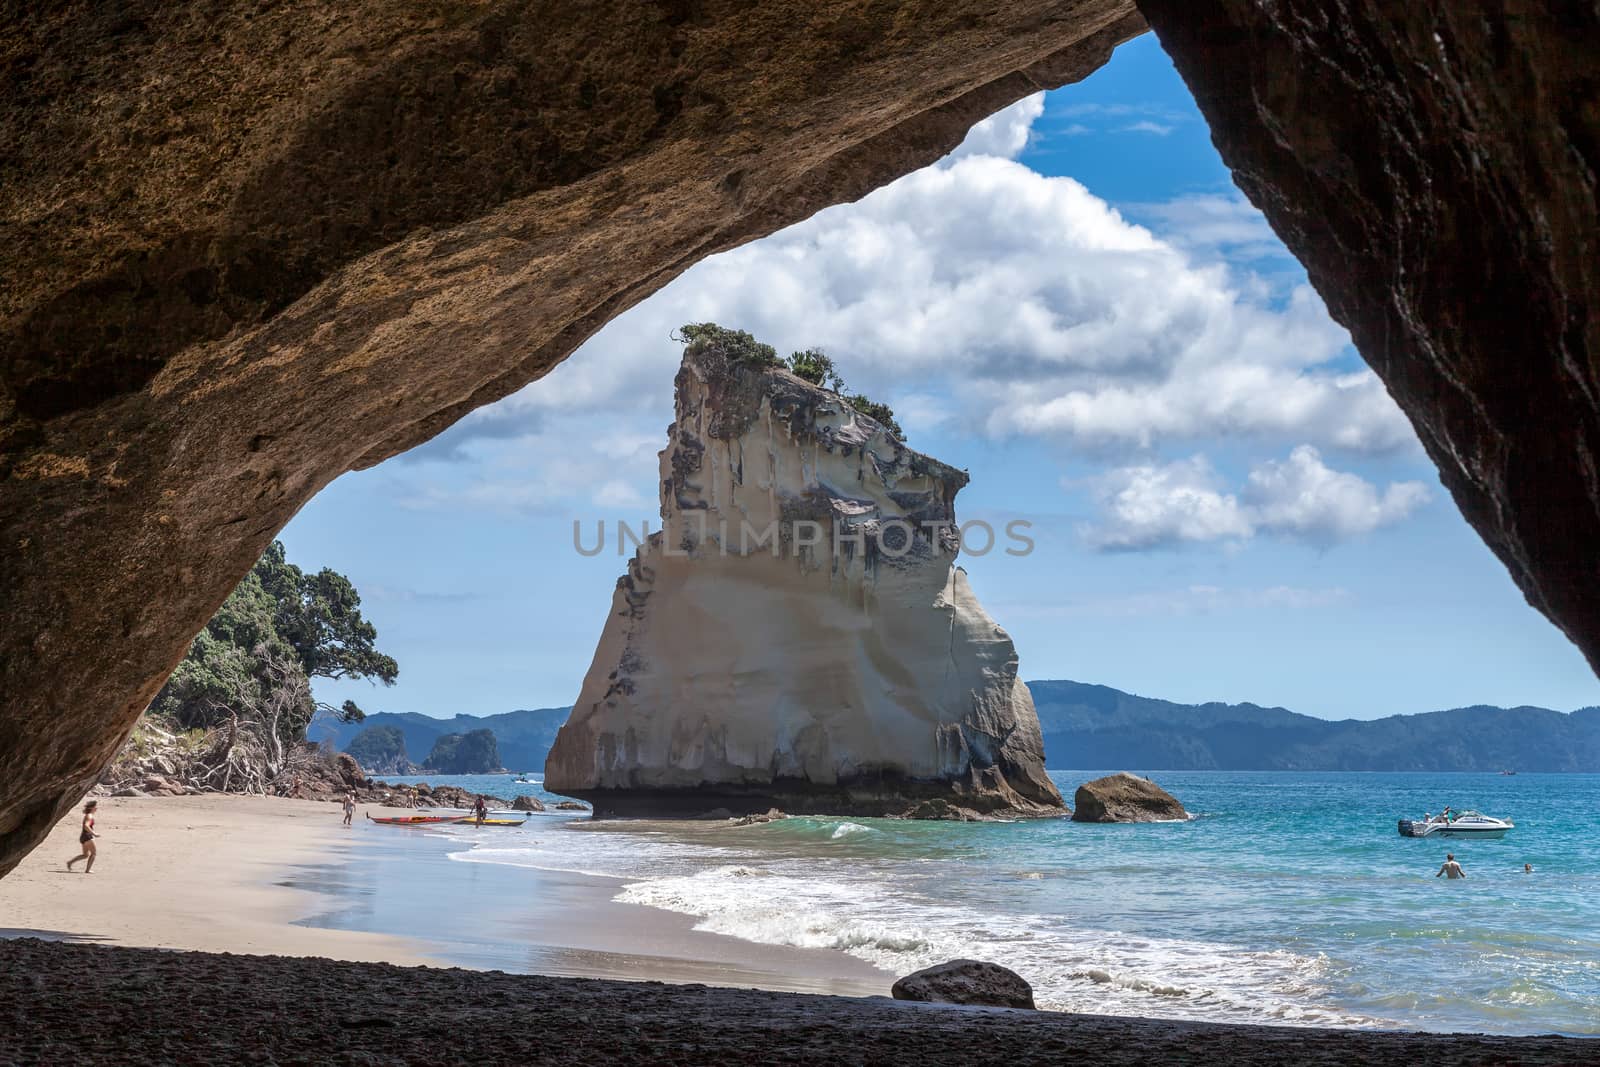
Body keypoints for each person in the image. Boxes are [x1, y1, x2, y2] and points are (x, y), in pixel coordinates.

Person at [66, 800, 99, 873]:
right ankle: (88, 870)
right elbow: (86, 826)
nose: (97, 808)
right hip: (87, 837)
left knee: (85, 855)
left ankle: (70, 862)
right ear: (92, 808)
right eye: (95, 807)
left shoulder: (88, 815)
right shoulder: (89, 815)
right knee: (93, 853)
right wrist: (94, 834)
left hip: (83, 837)